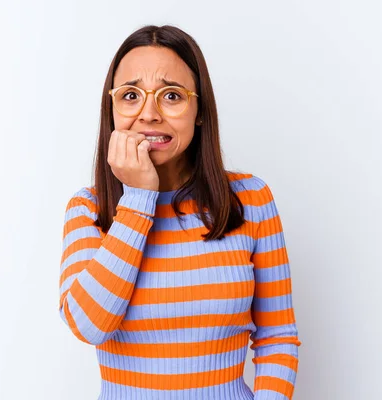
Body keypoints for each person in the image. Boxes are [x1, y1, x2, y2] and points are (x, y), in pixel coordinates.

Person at [58, 24, 302, 400]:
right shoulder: (88, 209)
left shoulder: (251, 199)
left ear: (200, 110)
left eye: (171, 96)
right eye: (130, 95)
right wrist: (139, 198)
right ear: (112, 110)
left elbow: (277, 338)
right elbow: (89, 325)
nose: (149, 114)